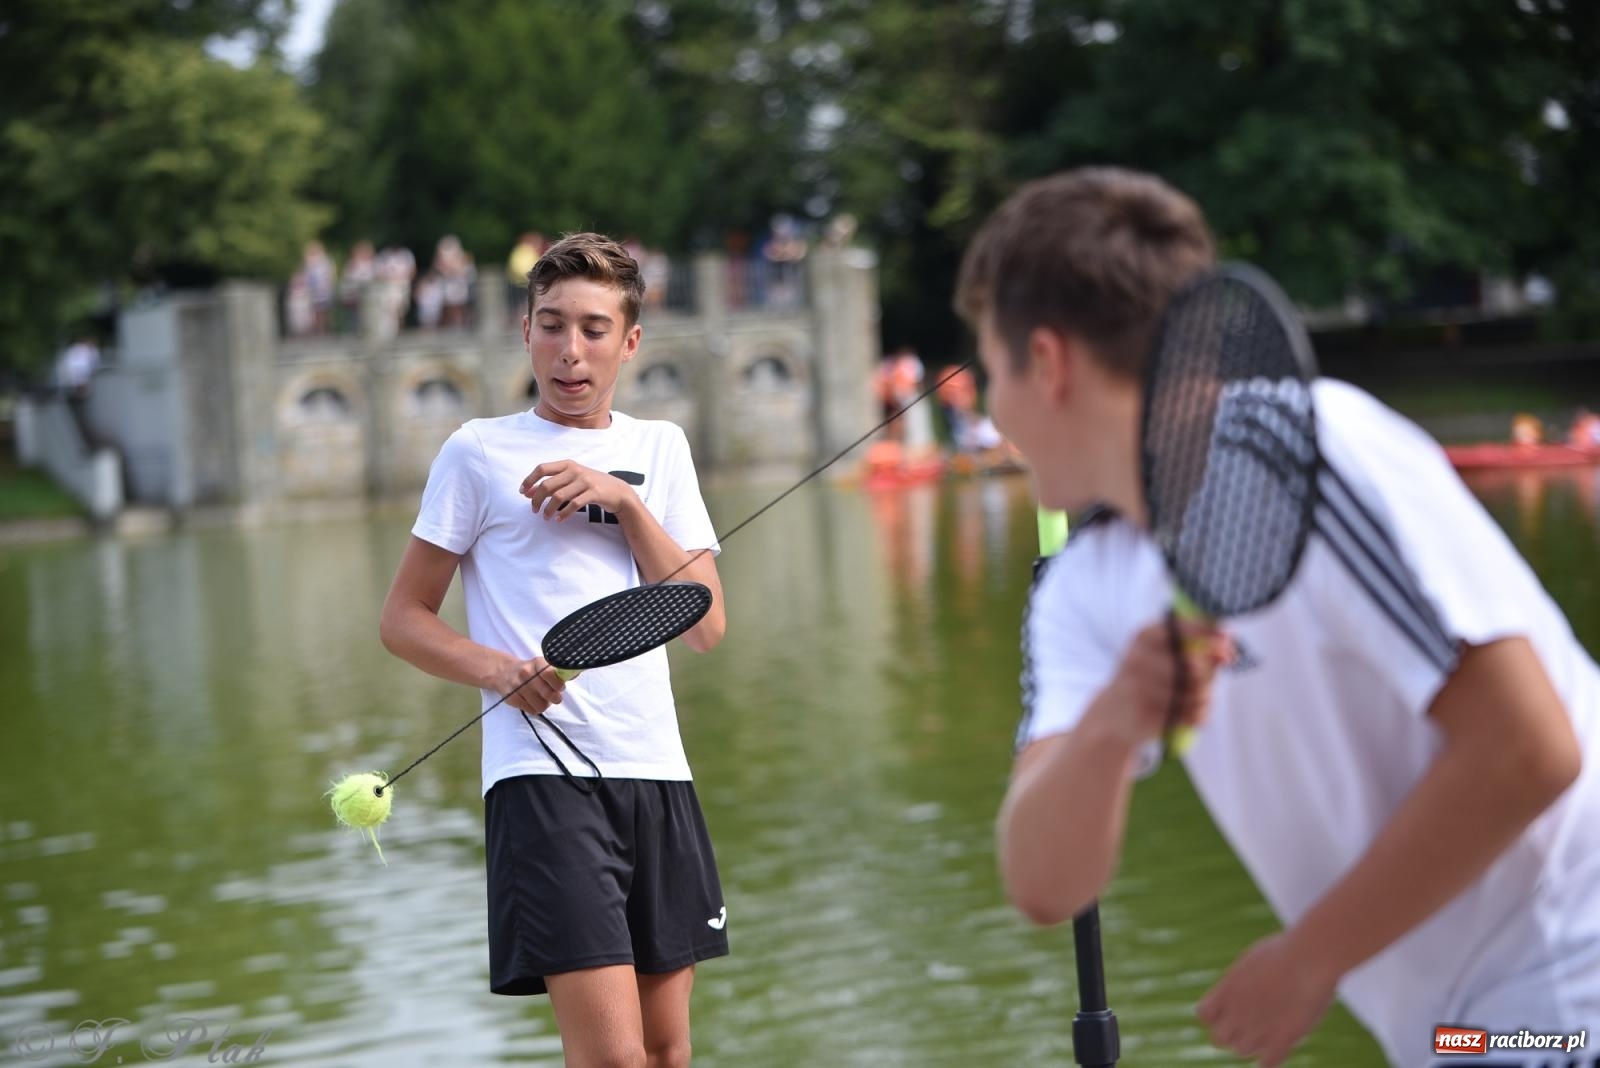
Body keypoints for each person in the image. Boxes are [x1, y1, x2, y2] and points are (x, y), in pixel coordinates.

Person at [958, 168, 1600, 1068]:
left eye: (992, 372)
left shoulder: (1315, 450)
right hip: (1456, 1038)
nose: (994, 415)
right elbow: (1041, 885)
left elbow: (1530, 749)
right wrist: (1112, 722)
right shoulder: (1084, 586)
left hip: (1567, 1003)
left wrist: (1311, 959)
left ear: (1049, 362)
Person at [379, 232, 729, 1068]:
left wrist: (625, 504)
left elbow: (707, 625)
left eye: (595, 329)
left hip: (657, 772)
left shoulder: (660, 449)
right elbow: (403, 618)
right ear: (525, 330)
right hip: (542, 782)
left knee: (667, 1053)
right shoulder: (477, 452)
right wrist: (500, 672)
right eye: (552, 324)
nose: (571, 350)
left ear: (630, 342)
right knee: (612, 1059)